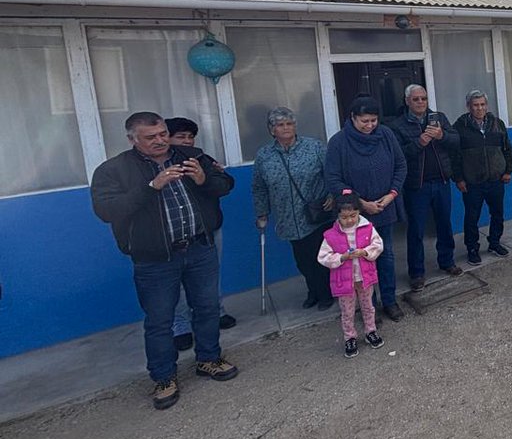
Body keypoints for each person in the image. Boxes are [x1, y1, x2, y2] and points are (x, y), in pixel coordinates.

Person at [91, 112, 239, 411]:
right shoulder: (114, 170)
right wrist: (151, 187)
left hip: (199, 248)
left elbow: (225, 184)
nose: (159, 140)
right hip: (155, 259)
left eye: (161, 134)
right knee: (160, 320)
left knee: (207, 307)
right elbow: (107, 210)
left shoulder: (191, 155)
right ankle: (163, 378)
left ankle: (209, 359)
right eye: (151, 137)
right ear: (133, 139)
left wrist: (203, 179)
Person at [325, 95, 407, 322]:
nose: (370, 125)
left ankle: (390, 301)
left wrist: (391, 195)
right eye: (364, 121)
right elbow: (333, 179)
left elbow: (401, 166)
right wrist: (361, 204)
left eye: (373, 120)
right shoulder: (339, 142)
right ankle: (368, 307)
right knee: (360, 263)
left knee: (386, 256)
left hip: (384, 208)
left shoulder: (386, 135)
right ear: (352, 118)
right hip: (355, 216)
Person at [251, 107, 335, 312]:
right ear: (272, 130)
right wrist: (262, 212)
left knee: (320, 257)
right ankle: (313, 291)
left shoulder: (314, 147)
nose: (286, 128)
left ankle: (325, 294)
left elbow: (332, 172)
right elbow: (259, 186)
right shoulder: (264, 156)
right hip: (288, 217)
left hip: (316, 214)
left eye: (289, 124)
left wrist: (334, 195)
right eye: (280, 125)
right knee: (303, 261)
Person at [165, 117, 236, 350]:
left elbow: (225, 184)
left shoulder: (202, 159)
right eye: (180, 137)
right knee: (176, 283)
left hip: (207, 229)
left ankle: (217, 312)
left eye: (189, 137)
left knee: (209, 275)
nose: (186, 141)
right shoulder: (155, 165)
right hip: (172, 238)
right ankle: (181, 325)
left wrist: (203, 179)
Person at [391, 84, 461, 290]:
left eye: (423, 98)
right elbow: (398, 156)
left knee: (444, 225)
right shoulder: (398, 126)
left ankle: (447, 262)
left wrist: (442, 136)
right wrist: (418, 143)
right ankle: (417, 273)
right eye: (416, 99)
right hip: (416, 186)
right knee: (416, 230)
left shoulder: (438, 118)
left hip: (441, 182)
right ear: (407, 101)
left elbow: (456, 141)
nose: (421, 102)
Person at [318, 191, 385, 358]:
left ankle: (371, 331)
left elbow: (378, 245)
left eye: (353, 216)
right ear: (338, 216)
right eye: (344, 217)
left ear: (359, 212)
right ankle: (350, 337)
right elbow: (323, 257)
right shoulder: (331, 235)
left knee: (368, 306)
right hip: (344, 281)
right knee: (347, 311)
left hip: (364, 277)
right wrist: (341, 257)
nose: (349, 220)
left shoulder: (367, 228)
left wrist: (365, 252)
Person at [452, 90, 512, 265]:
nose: (479, 108)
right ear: (469, 107)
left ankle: (494, 243)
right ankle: (472, 248)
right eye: (475, 105)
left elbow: (507, 149)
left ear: (486, 105)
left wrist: (508, 170)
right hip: (472, 182)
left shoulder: (497, 124)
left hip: (496, 179)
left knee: (497, 214)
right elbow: (454, 156)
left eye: (482, 104)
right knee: (472, 217)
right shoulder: (459, 127)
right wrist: (458, 179)